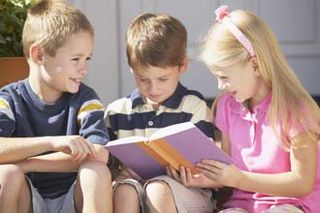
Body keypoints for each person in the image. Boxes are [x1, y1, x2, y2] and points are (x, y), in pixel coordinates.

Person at [186, 5, 320, 213]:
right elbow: (228, 171)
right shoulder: (226, 107)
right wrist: (204, 178)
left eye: (224, 77)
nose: (220, 86)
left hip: (291, 204)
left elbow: (302, 183)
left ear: (255, 66)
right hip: (242, 206)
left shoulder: (296, 110)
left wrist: (240, 179)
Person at [0, 0, 112, 212]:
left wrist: (26, 163)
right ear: (39, 55)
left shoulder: (86, 99)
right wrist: (53, 143)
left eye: (88, 58)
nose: (84, 69)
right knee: (6, 174)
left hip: (73, 196)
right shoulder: (8, 99)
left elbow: (98, 152)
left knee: (96, 171)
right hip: (27, 198)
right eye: (76, 59)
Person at [104, 13, 216, 213]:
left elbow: (208, 167)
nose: (153, 88)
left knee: (157, 189)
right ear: (132, 68)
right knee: (124, 190)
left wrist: (186, 174)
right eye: (143, 79)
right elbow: (108, 165)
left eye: (163, 79)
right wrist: (120, 172)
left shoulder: (194, 107)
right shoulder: (116, 113)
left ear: (183, 65)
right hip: (137, 189)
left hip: (190, 193)